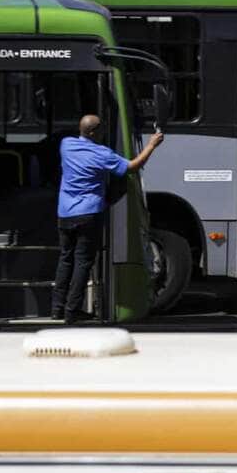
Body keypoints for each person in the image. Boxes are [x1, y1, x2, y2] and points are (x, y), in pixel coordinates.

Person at [51, 114, 163, 324]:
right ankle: (71, 311)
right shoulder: (102, 154)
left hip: (64, 213)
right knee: (83, 262)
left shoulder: (66, 145)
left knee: (65, 259)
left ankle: (57, 308)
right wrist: (152, 145)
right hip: (88, 213)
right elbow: (132, 167)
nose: (104, 131)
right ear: (93, 132)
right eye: (101, 128)